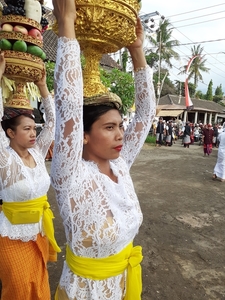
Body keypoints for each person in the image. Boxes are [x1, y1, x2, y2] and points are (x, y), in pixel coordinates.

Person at [51, 0, 156, 299]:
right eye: (109, 128)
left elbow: (146, 114)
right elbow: (69, 107)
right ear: (82, 136)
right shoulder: (69, 175)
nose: (120, 134)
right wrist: (67, 24)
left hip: (122, 286)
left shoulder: (120, 165)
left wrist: (137, 50)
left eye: (120, 126)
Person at [0, 53, 60, 300]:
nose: (33, 133)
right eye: (26, 129)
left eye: (33, 128)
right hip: (10, 236)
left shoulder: (37, 152)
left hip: (38, 231)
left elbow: (53, 123)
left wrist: (44, 87)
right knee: (18, 289)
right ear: (11, 134)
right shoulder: (5, 159)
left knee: (39, 283)